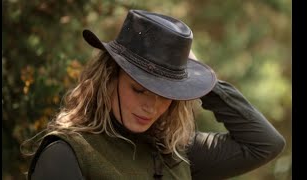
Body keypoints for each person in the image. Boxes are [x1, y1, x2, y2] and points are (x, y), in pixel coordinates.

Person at [24, 9, 285, 180]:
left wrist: (203, 81)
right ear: (107, 80)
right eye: (139, 90)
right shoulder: (69, 152)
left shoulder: (177, 152)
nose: (151, 106)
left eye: (165, 94)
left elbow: (264, 144)